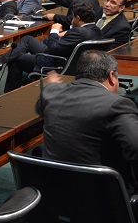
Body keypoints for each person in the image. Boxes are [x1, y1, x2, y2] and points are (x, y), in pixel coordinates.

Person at [37, 51, 138, 193]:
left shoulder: (51, 93)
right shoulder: (117, 104)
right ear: (111, 76)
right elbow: (135, 148)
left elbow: (41, 105)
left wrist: (51, 86)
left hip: (53, 192)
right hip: (101, 196)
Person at [0, 1, 101, 92]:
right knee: (27, 39)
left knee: (16, 59)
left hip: (56, 62)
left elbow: (53, 49)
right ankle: (1, 61)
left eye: (73, 17)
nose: (72, 20)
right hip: (68, 58)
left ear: (78, 18)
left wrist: (54, 31)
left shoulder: (78, 32)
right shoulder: (98, 31)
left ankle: (9, 94)